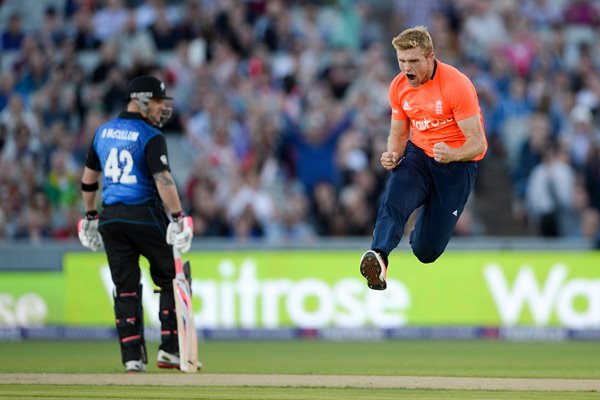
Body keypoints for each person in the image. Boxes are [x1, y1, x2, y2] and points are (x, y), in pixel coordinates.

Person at [77, 75, 193, 372]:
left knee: (125, 288)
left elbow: (89, 181)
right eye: (157, 102)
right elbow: (164, 180)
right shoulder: (150, 136)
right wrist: (179, 217)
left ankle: (132, 358)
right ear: (140, 99)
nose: (161, 108)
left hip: (111, 218)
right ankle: (170, 350)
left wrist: (91, 217)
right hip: (144, 213)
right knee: (173, 275)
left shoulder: (102, 132)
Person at [359, 26, 487, 290]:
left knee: (426, 251)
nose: (407, 68)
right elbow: (398, 132)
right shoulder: (399, 86)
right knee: (394, 199)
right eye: (402, 61)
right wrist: (393, 154)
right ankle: (379, 258)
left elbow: (478, 143)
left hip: (456, 167)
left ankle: (424, 222)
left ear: (430, 57)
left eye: (413, 61)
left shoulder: (456, 85)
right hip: (418, 156)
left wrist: (453, 153)